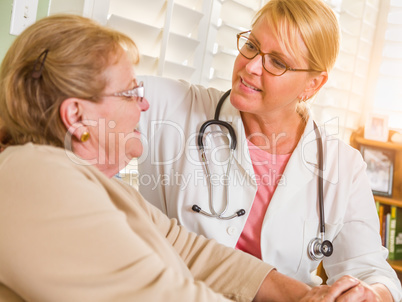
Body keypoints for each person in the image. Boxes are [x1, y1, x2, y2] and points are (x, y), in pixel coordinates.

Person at [0, 14, 314, 302]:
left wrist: (310, 297)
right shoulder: (33, 175)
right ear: (77, 116)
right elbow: (161, 295)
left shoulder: (107, 188)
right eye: (130, 93)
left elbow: (194, 253)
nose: (146, 104)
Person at [137, 0, 402, 301]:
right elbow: (92, 90)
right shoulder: (175, 107)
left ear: (313, 84)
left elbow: (374, 273)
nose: (249, 67)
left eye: (277, 62)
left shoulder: (342, 165)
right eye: (251, 46)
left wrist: (371, 295)